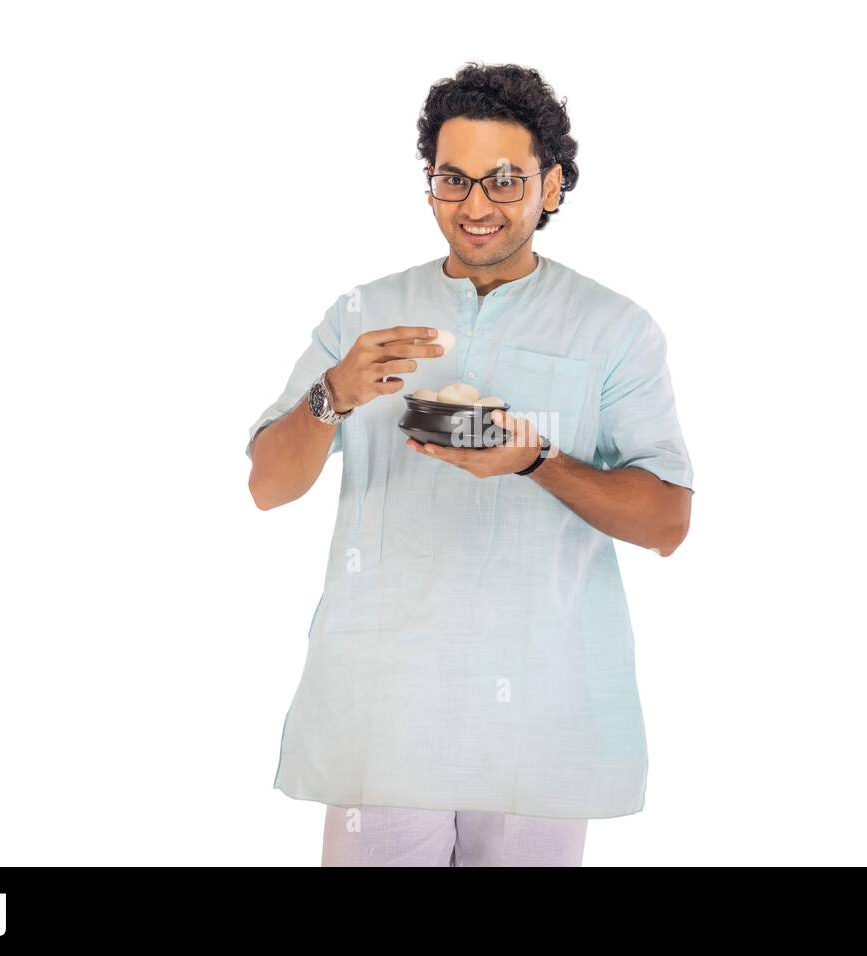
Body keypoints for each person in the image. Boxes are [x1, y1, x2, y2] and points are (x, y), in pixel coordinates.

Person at [245, 62, 694, 866]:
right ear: (430, 184)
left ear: (551, 186)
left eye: (504, 180)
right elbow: (267, 487)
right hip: (384, 715)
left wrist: (535, 461)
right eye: (454, 179)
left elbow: (667, 522)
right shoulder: (364, 314)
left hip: (541, 721)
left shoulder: (614, 330)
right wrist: (332, 395)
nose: (476, 205)